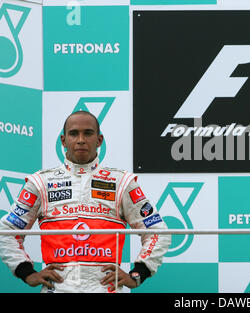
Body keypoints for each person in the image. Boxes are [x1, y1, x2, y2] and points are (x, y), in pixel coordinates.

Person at [0, 110, 171, 293]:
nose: (81, 139)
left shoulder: (121, 182)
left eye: (88, 133)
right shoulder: (41, 182)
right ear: (63, 141)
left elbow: (157, 231)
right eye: (74, 133)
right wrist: (27, 272)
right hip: (57, 289)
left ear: (99, 140)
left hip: (105, 289)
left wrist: (138, 273)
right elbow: (7, 231)